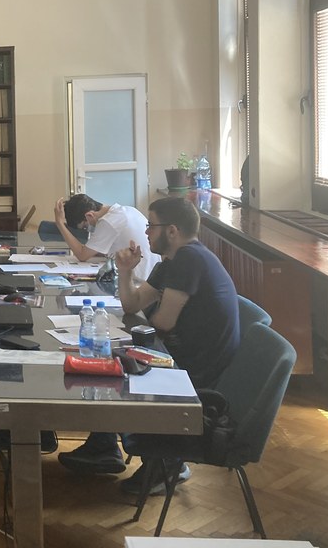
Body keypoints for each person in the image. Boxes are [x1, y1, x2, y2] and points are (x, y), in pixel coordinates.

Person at [58, 196, 240, 496]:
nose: (145, 232)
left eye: (151, 226)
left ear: (172, 230)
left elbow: (164, 322)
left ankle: (167, 461)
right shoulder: (171, 260)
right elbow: (133, 305)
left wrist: (140, 325)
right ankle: (105, 446)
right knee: (111, 356)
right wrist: (126, 271)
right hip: (181, 353)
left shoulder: (189, 259)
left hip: (196, 365)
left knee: (115, 365)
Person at [54, 193, 161, 283]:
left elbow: (82, 255)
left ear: (89, 215)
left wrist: (60, 223)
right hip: (150, 276)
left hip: (139, 280)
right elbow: (97, 251)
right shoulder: (127, 210)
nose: (87, 229)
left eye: (85, 226)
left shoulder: (108, 221)